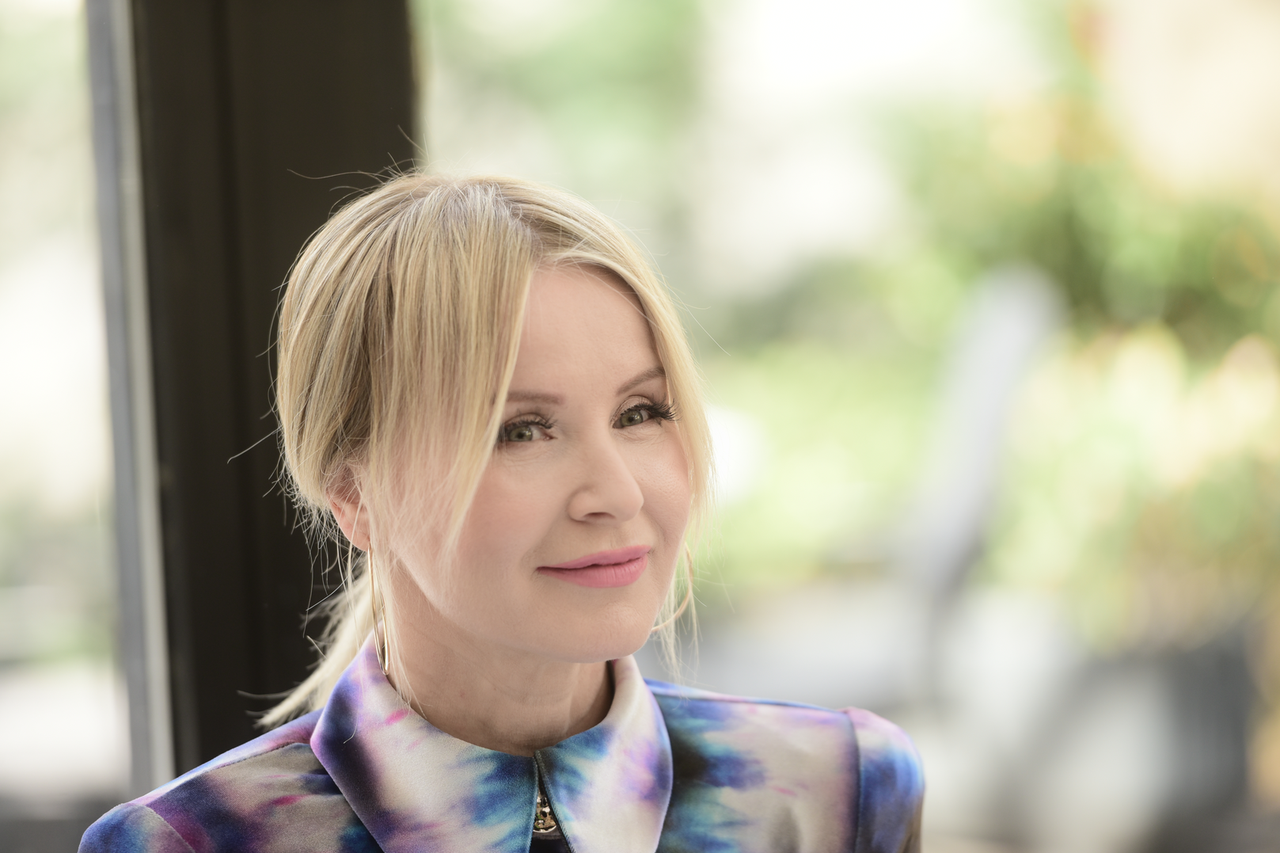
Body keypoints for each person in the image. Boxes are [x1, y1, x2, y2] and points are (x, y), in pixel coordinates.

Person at [80, 174, 924, 853]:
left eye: (640, 412)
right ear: (352, 494)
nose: (617, 493)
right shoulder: (194, 841)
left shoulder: (839, 794)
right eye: (520, 429)